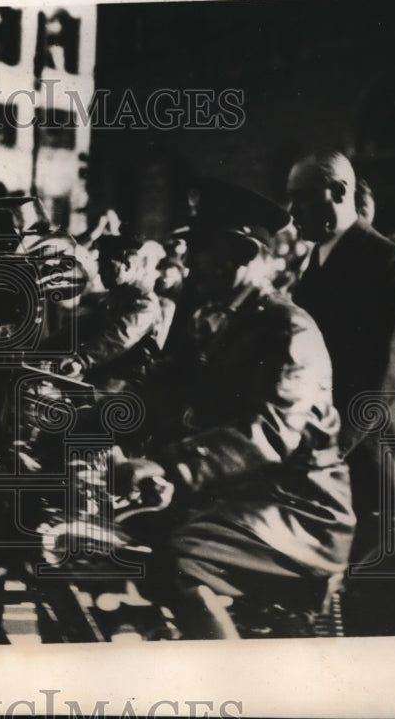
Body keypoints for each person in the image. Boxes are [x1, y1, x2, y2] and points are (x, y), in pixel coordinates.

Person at [128, 179, 354, 638]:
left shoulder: (289, 330)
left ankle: (235, 687)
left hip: (300, 508)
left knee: (180, 558)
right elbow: (158, 392)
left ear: (244, 255)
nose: (188, 262)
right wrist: (77, 417)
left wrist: (166, 463)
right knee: (120, 537)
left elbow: (269, 432)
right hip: (242, 496)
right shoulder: (216, 319)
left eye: (201, 249)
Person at [287, 151, 395, 525]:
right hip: (328, 445)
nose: (291, 211)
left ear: (338, 190)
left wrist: (337, 443)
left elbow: (385, 371)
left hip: (374, 448)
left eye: (301, 197)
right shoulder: (316, 262)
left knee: (392, 565)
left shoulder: (388, 260)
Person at [56, 233, 166, 393]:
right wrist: (42, 348)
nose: (100, 272)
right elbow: (84, 326)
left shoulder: (144, 302)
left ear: (127, 265)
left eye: (107, 266)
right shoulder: (115, 296)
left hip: (128, 383)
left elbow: (118, 336)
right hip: (103, 374)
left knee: (80, 413)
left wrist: (81, 359)